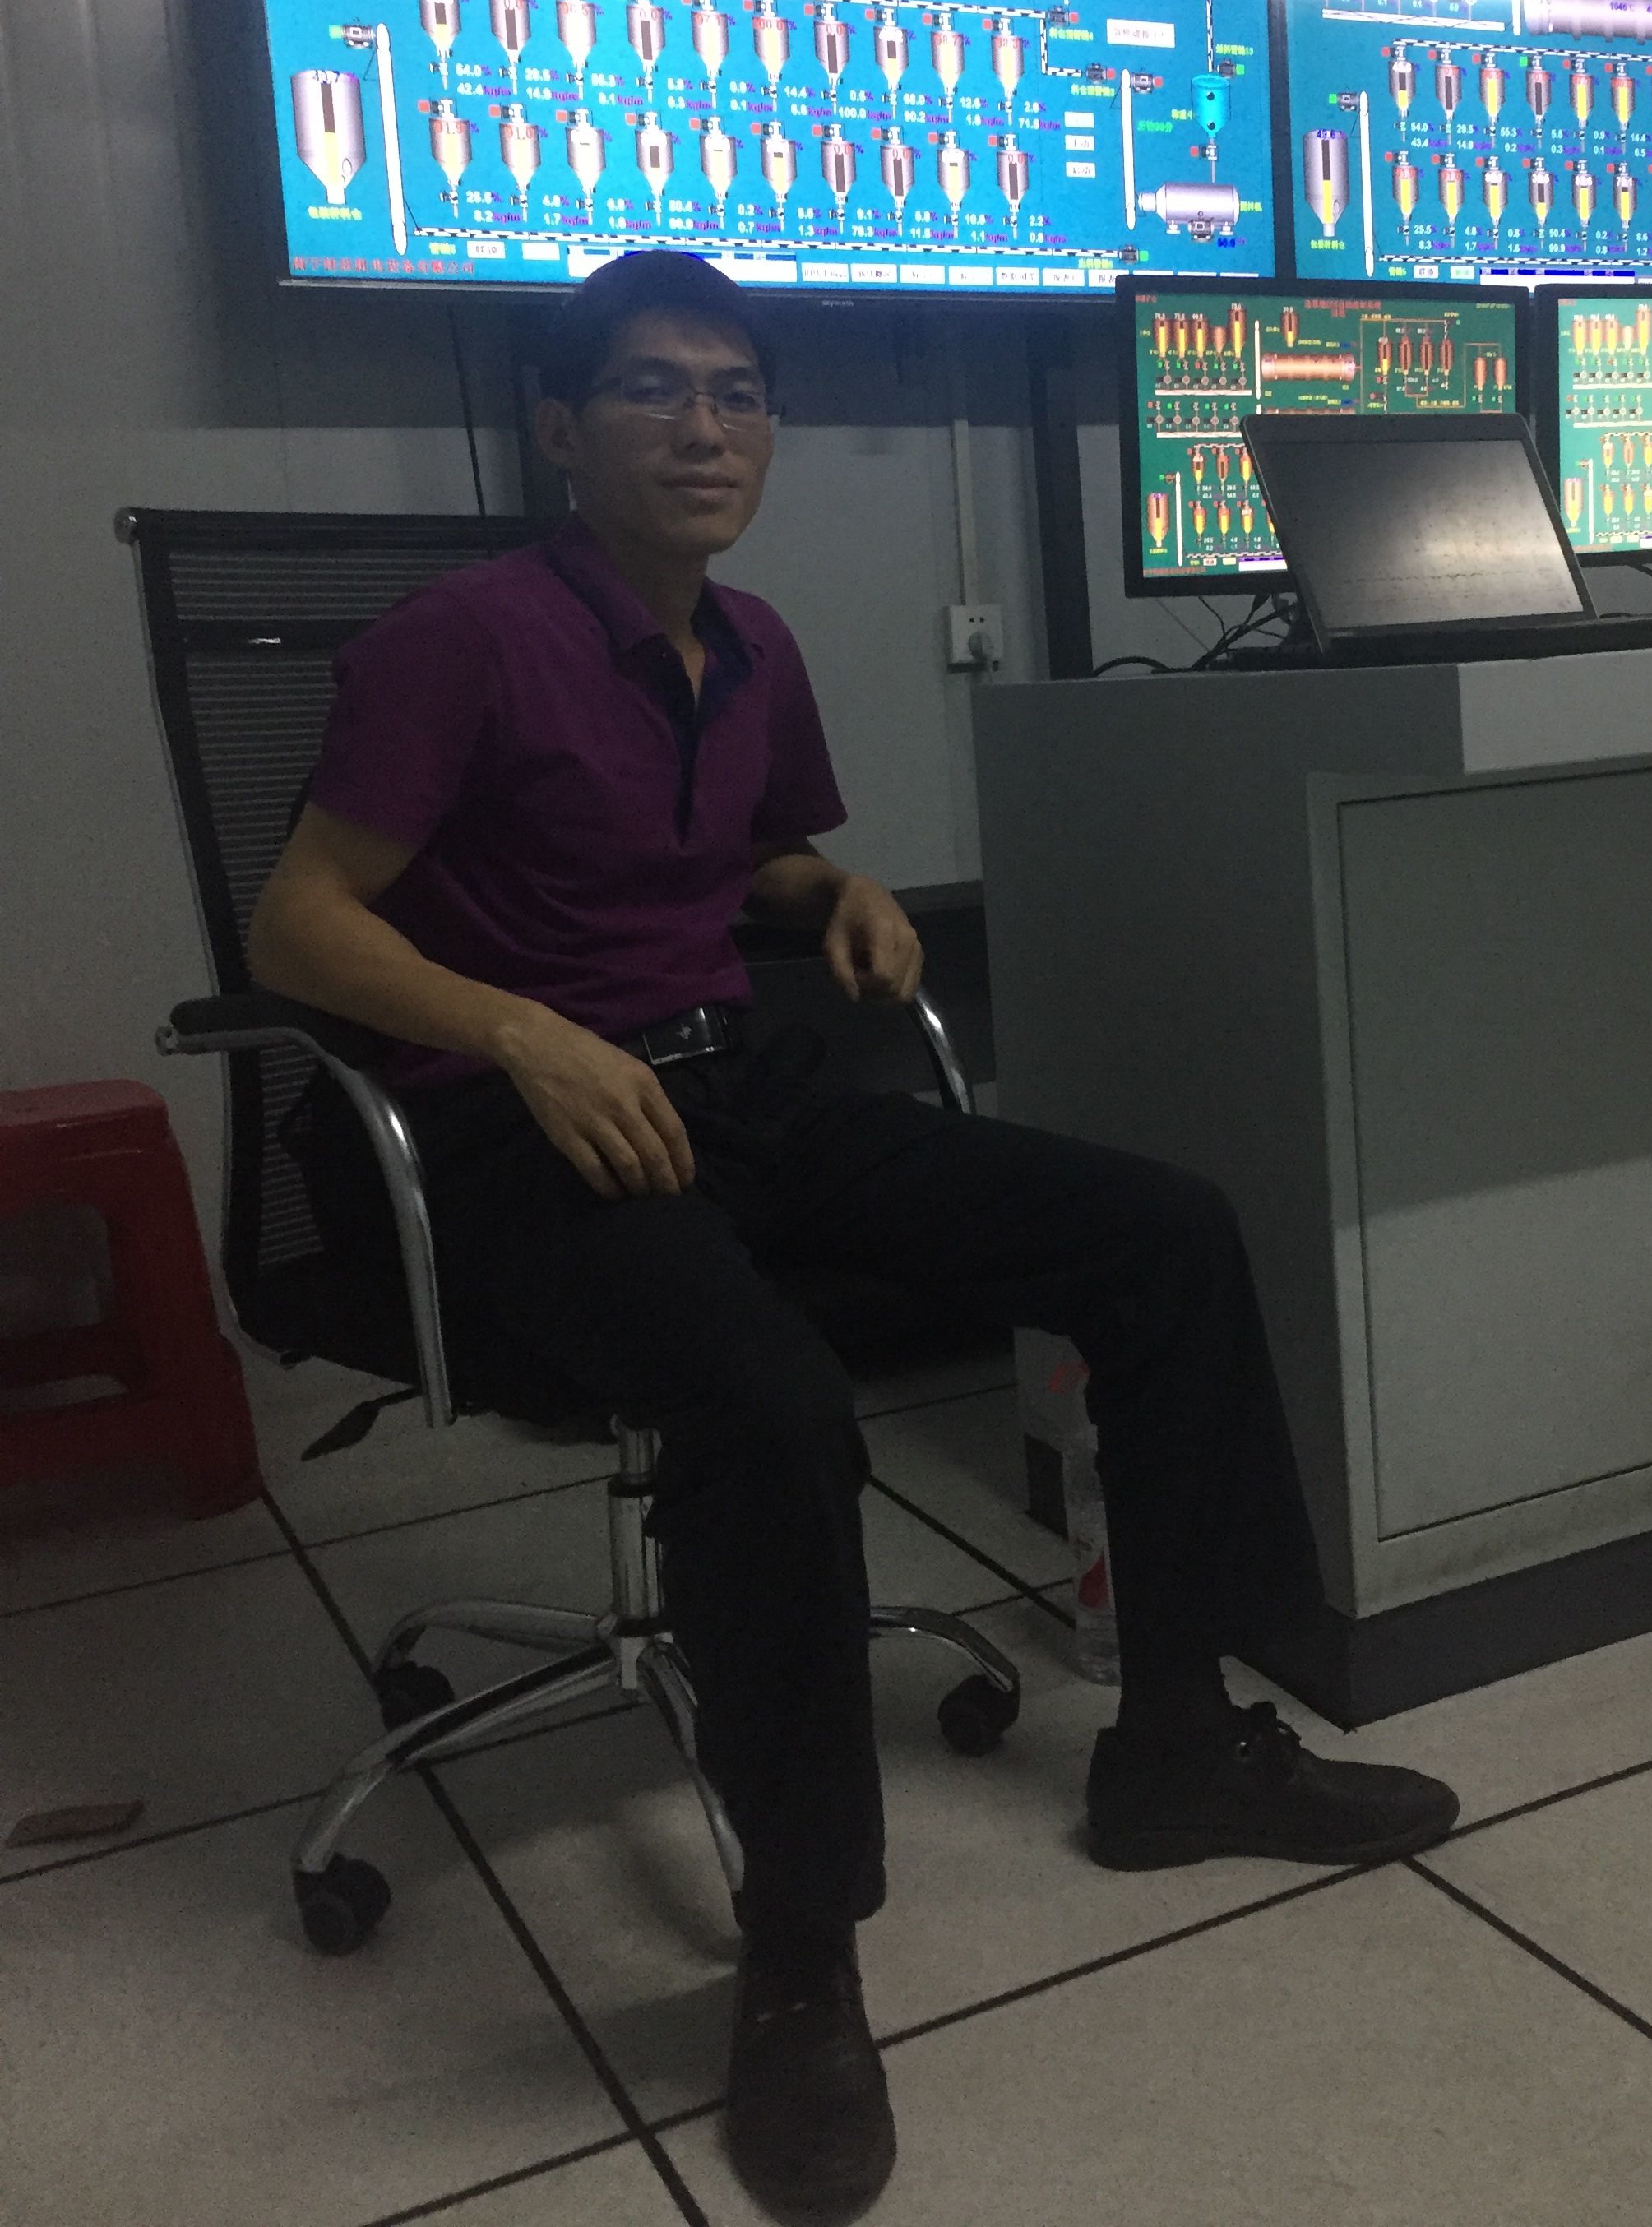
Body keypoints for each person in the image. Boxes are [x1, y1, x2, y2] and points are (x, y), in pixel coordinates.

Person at [248, 251, 1458, 2220]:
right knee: (779, 1409)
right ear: (560, 430)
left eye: (737, 393)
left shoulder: (752, 645)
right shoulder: (460, 641)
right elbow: (298, 923)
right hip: (510, 1141)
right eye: (651, 390)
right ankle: (801, 1951)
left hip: (730, 1092)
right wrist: (524, 1033)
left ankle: (1177, 1746)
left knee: (1160, 1233)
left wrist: (836, 892)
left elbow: (746, 850)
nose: (703, 429)